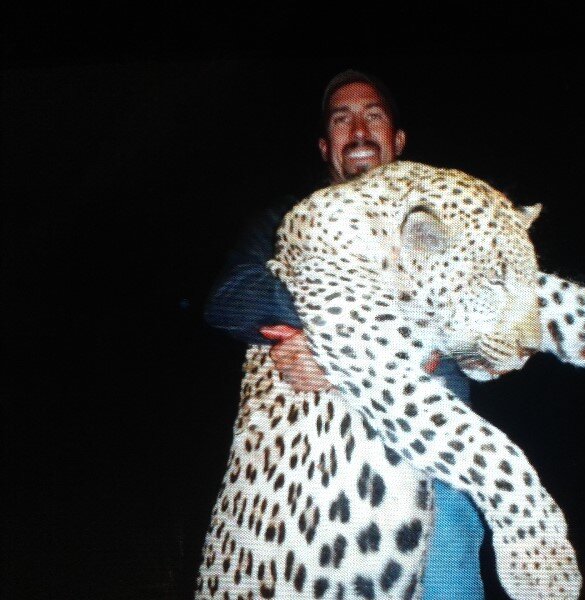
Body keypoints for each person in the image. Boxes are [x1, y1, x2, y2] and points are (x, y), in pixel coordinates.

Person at [205, 70, 486, 599]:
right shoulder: (285, 220)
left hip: (434, 457)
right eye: (342, 120)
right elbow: (230, 298)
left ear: (398, 141)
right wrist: (347, 303)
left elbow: (472, 335)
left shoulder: (442, 223)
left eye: (373, 116)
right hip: (313, 487)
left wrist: (334, 354)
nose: (358, 130)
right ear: (324, 146)